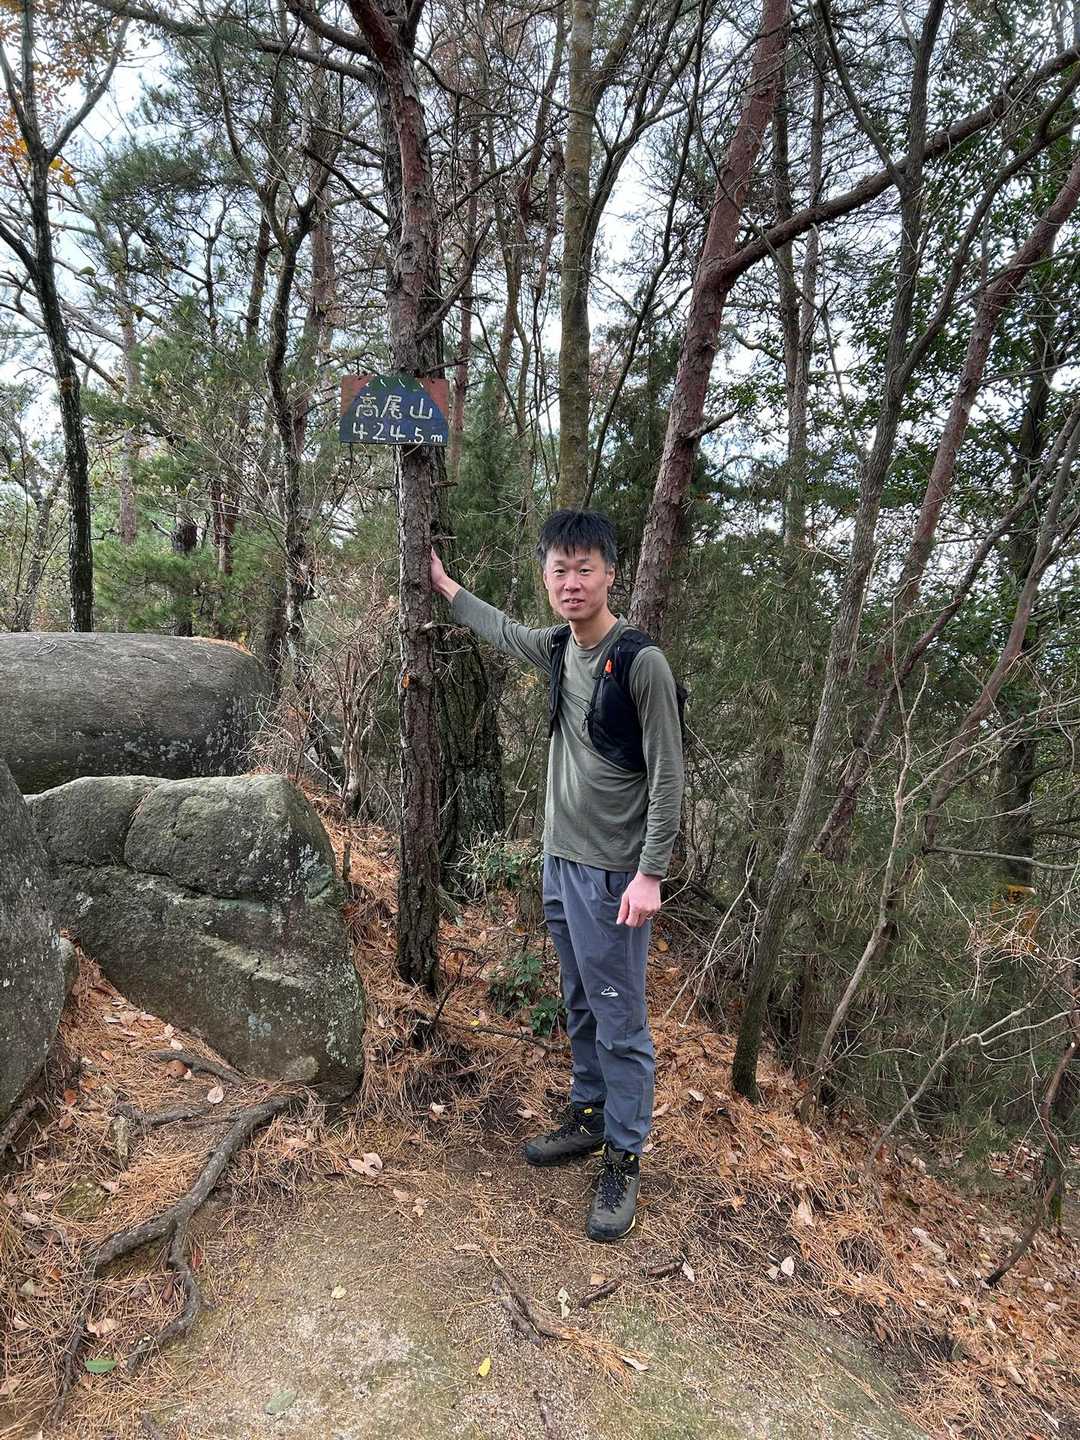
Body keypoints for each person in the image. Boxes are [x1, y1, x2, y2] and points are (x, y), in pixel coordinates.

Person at [430, 509, 684, 1242]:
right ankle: (590, 1113)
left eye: (585, 569)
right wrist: (446, 587)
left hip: (613, 877)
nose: (572, 582)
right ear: (546, 577)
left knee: (620, 1020)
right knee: (580, 1001)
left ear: (610, 574)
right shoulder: (558, 647)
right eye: (559, 570)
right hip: (560, 862)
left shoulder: (639, 662)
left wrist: (650, 873)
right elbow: (502, 631)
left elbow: (669, 773)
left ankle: (624, 1156)